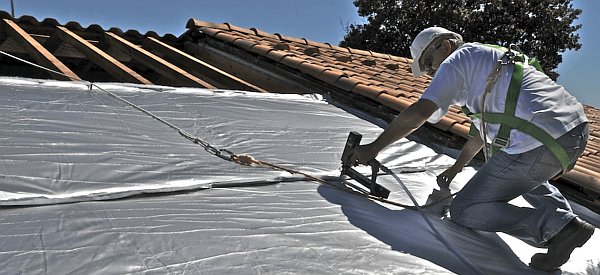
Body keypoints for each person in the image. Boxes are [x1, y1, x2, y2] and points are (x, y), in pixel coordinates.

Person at [345, 27, 595, 272]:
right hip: (572, 134)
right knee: (519, 174)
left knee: (464, 209)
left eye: (429, 61)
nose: (432, 71)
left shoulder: (457, 60)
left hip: (538, 140)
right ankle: (566, 225)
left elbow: (421, 111)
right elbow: (481, 135)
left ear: (445, 45)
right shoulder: (484, 63)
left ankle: (559, 229)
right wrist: (456, 168)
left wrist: (373, 148)